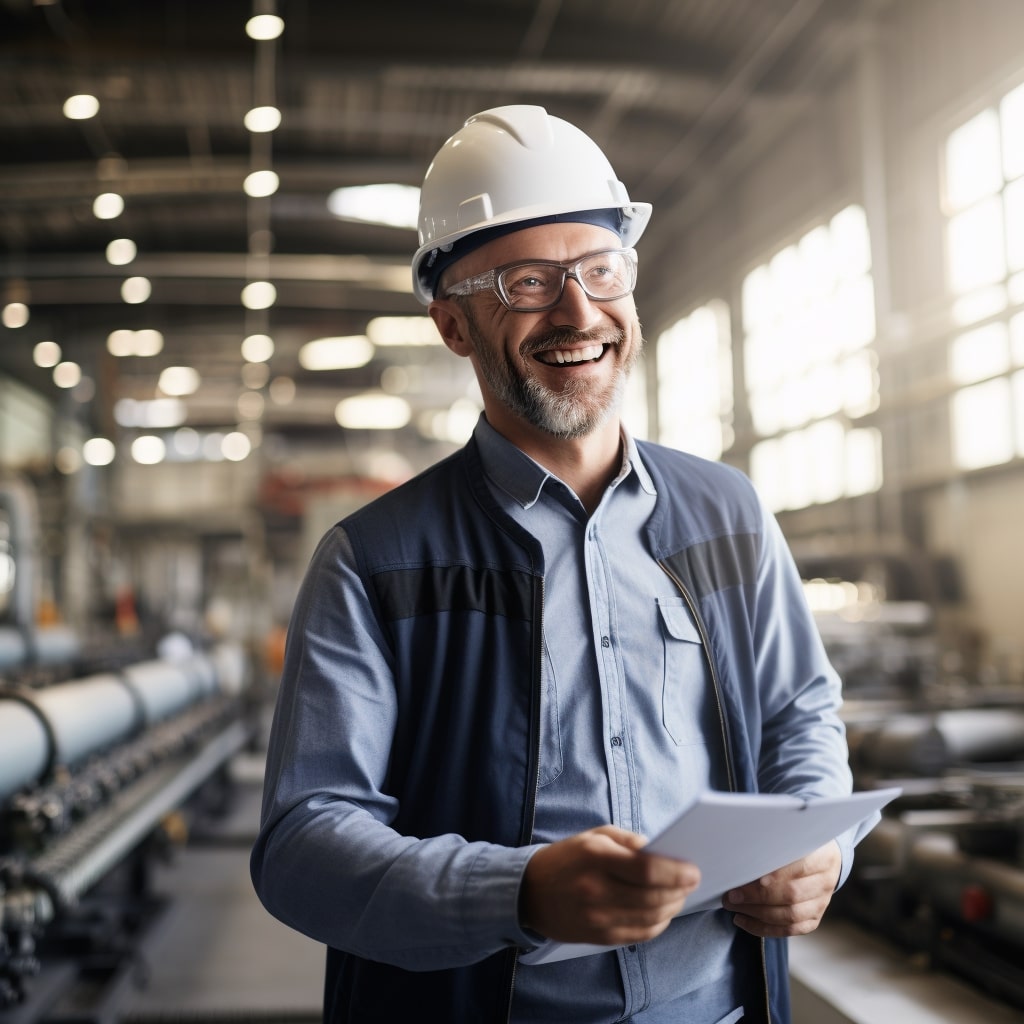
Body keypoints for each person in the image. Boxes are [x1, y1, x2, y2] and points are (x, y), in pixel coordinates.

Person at [251, 105, 874, 1024]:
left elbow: (798, 713)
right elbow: (304, 846)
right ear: (454, 327)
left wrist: (819, 846)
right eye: (526, 283)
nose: (578, 312)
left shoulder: (726, 512)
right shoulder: (374, 562)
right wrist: (520, 894)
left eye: (600, 270)